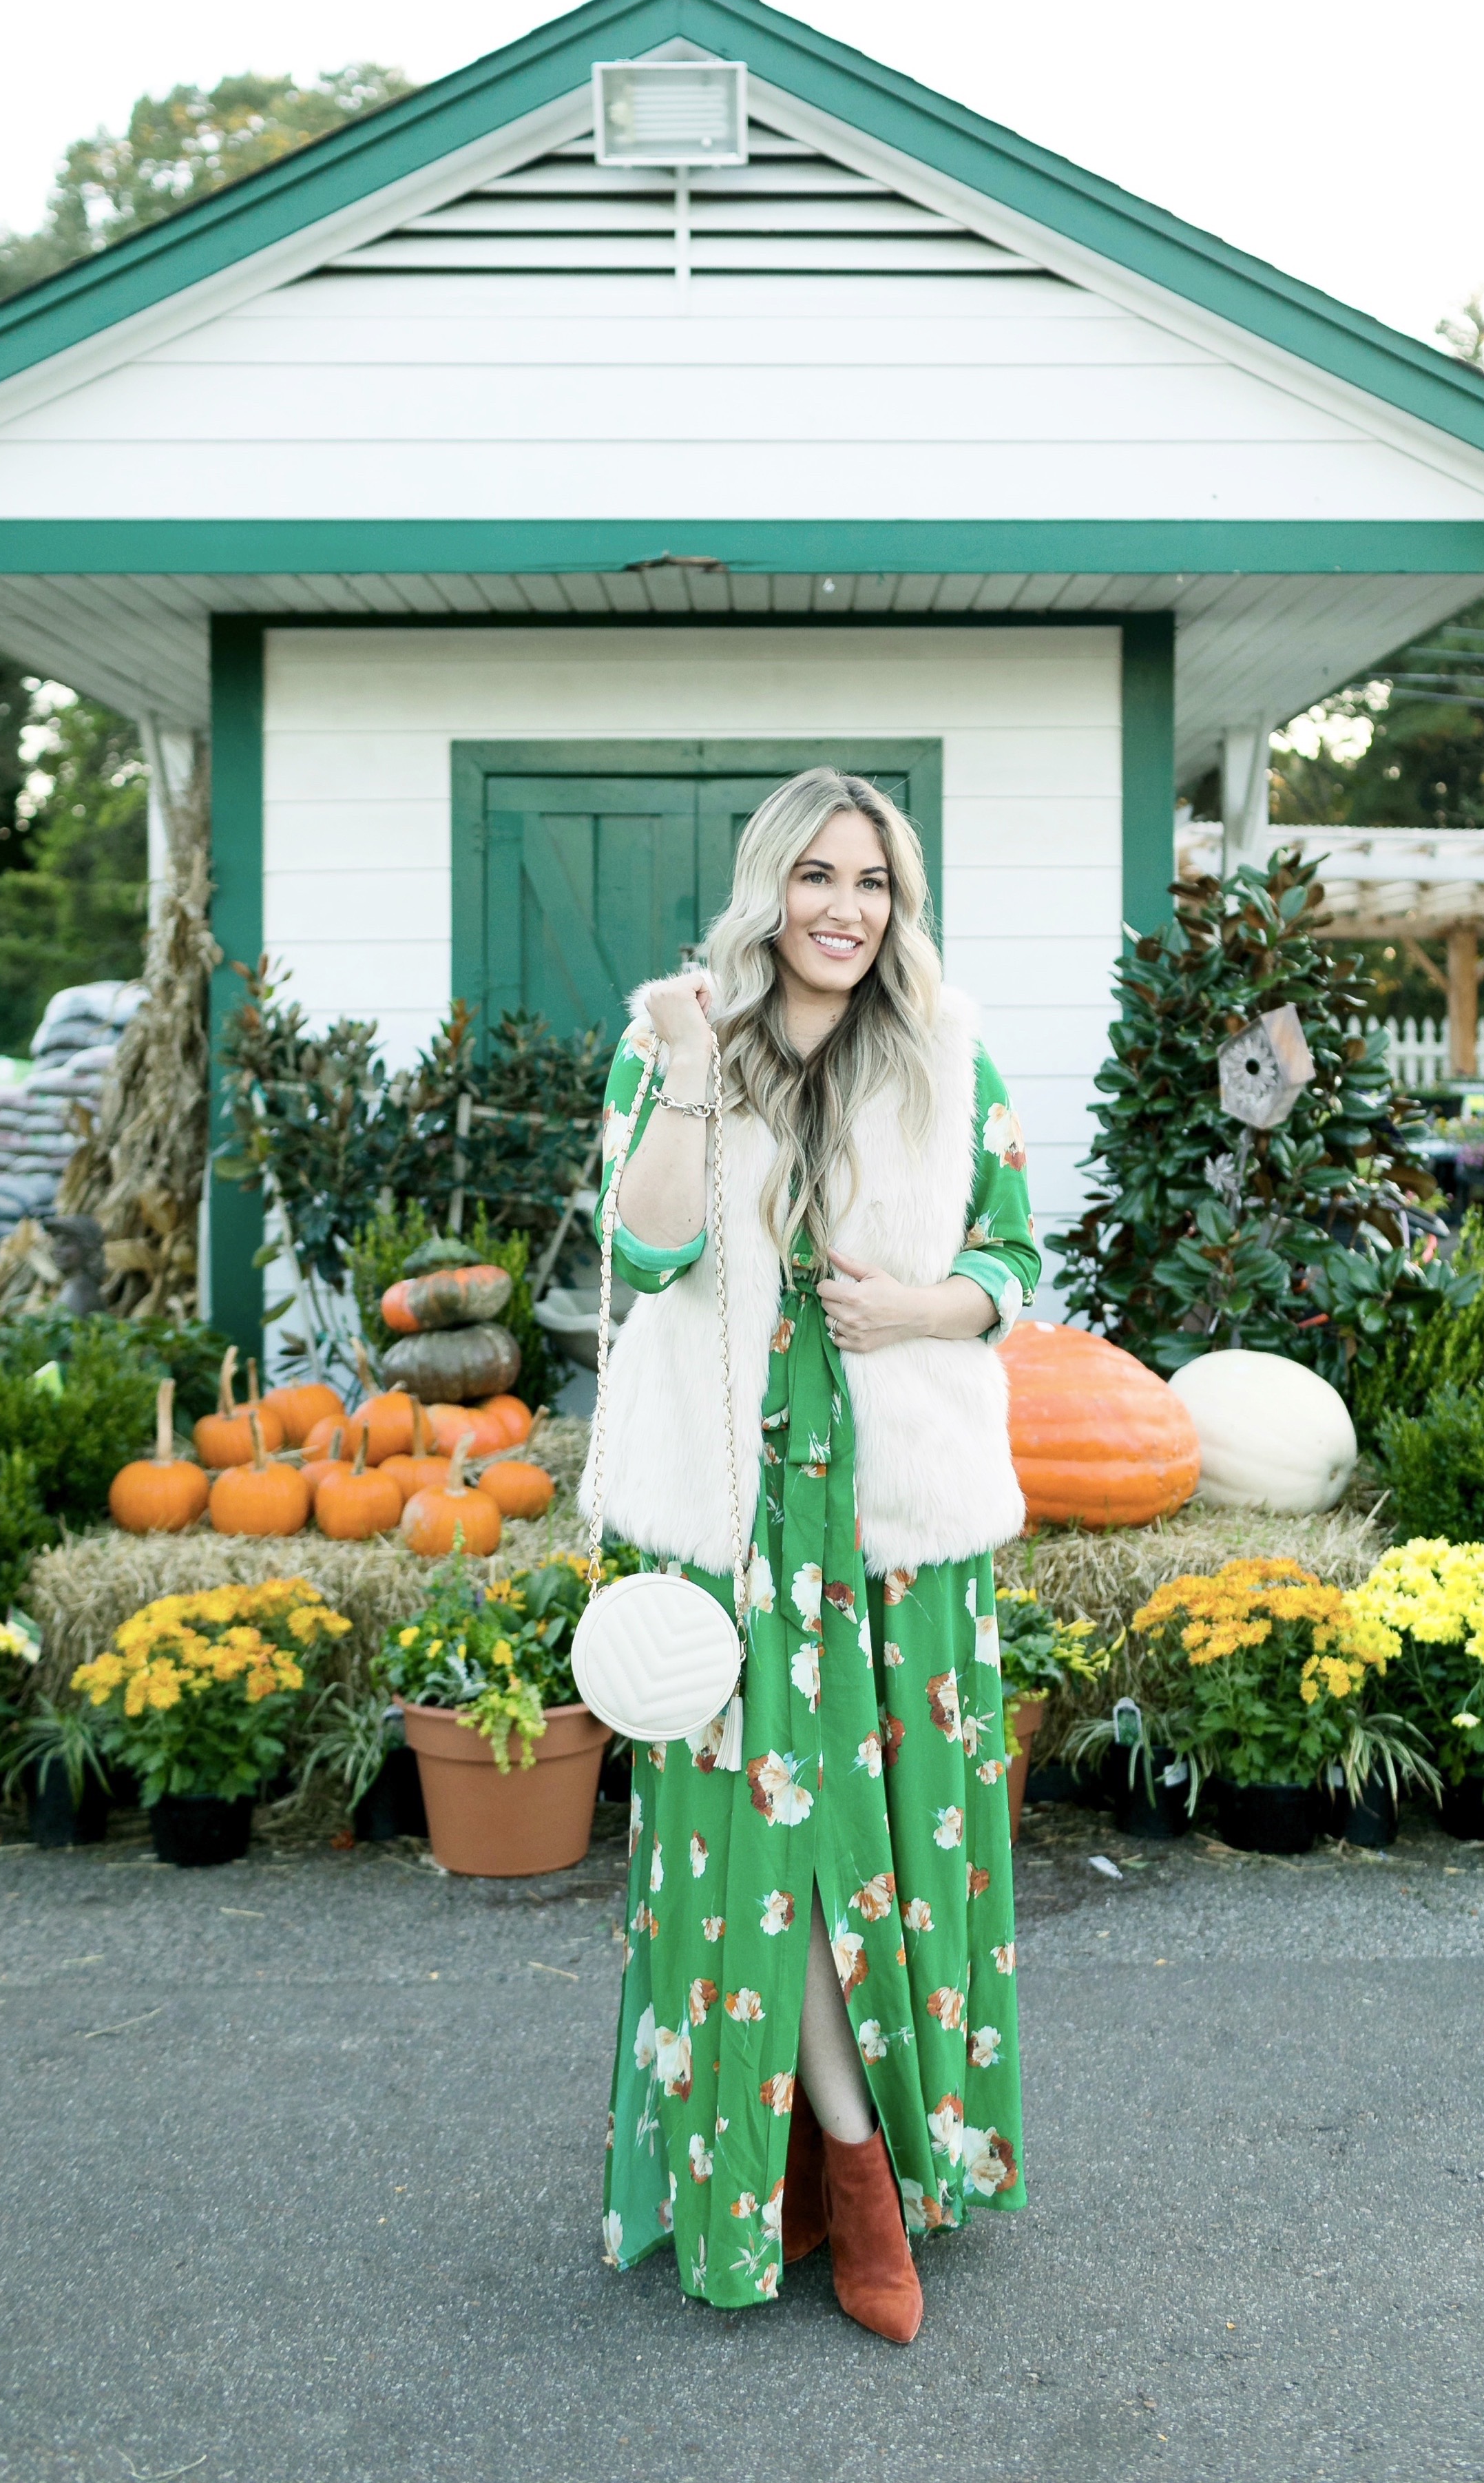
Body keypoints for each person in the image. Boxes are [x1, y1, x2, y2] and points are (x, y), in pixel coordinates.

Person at [584, 766, 1037, 2340]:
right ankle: (851, 2170)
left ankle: (849, 2159)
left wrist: (920, 1307)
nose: (846, 907)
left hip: (898, 1515)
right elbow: (646, 1246)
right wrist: (697, 1067)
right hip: (739, 1520)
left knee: (897, 1846)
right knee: (769, 1854)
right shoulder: (677, 1039)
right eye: (818, 874)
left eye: (875, 880)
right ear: (770, 882)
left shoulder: (952, 1048)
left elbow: (1013, 1255)